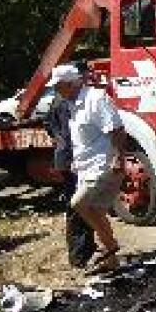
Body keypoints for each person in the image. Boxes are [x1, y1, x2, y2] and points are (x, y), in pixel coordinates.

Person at [48, 63, 126, 274]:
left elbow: (117, 130)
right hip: (85, 168)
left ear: (73, 83)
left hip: (103, 165)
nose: (57, 91)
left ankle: (111, 248)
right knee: (97, 212)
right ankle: (111, 257)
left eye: (59, 86)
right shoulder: (71, 103)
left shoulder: (96, 99)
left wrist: (119, 158)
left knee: (78, 203)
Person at [45, 64, 96, 268]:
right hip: (72, 160)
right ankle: (79, 255)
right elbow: (73, 134)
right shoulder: (66, 103)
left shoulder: (58, 101)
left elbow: (48, 125)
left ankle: (82, 251)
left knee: (77, 206)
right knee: (78, 207)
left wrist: (58, 141)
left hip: (65, 159)